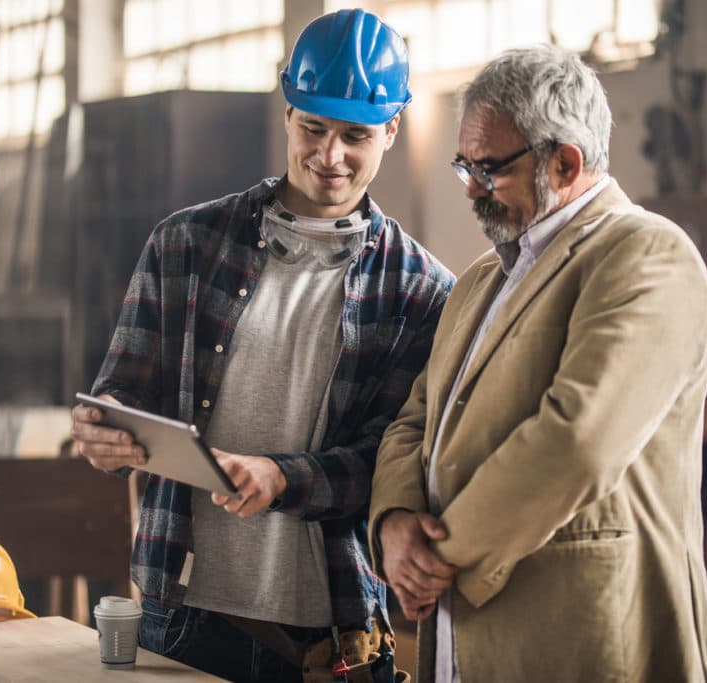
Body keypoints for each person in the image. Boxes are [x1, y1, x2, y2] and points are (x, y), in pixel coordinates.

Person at [71, 9, 454, 683]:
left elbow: (393, 459)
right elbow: (124, 388)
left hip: (327, 632)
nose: (329, 155)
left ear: (392, 129)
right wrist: (103, 425)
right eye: (312, 128)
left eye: (355, 135)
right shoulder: (185, 245)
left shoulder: (421, 291)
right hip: (181, 613)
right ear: (287, 112)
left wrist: (283, 477)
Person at [369, 45, 707, 683]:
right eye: (462, 166)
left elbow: (576, 441)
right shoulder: (478, 280)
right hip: (458, 641)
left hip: (584, 640)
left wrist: (438, 555)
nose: (471, 189)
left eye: (490, 169)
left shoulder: (646, 256)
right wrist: (394, 524)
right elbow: (414, 420)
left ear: (566, 160)